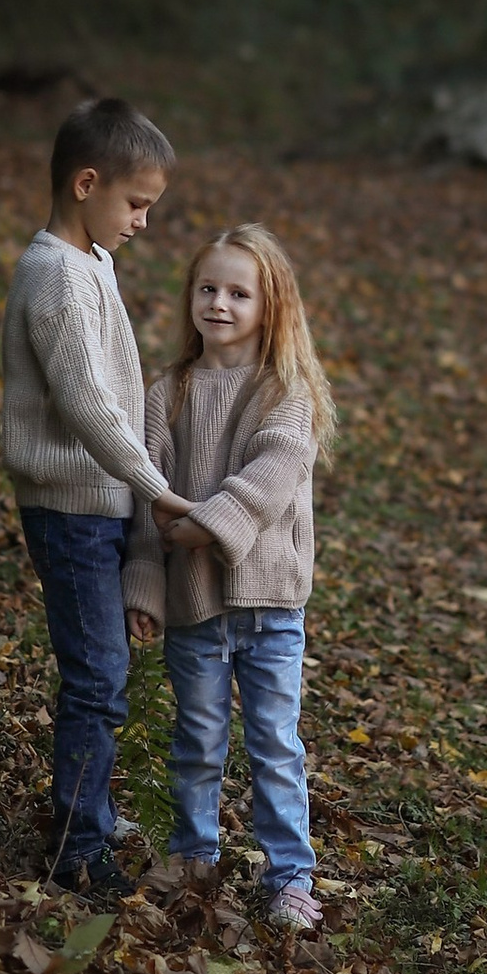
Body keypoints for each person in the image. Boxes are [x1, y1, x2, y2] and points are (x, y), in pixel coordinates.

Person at [0, 93, 195, 897]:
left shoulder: (95, 264)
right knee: (97, 677)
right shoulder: (51, 275)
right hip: (70, 507)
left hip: (102, 503)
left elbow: (114, 383)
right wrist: (158, 489)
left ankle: (91, 811)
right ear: (87, 184)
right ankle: (77, 847)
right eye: (136, 203)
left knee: (103, 668)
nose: (143, 222)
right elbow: (85, 406)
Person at [122, 221, 336, 935]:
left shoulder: (286, 394)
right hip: (195, 606)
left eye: (238, 293)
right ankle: (193, 857)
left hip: (271, 604)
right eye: (207, 288)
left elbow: (268, 478)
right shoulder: (167, 393)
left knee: (275, 743)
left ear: (269, 306)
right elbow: (144, 500)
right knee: (198, 739)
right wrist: (145, 589)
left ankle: (291, 877)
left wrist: (202, 524)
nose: (219, 303)